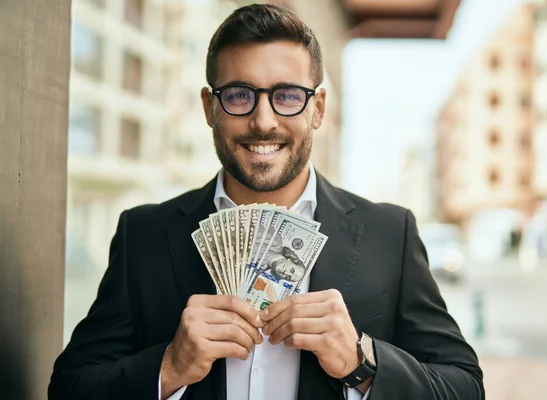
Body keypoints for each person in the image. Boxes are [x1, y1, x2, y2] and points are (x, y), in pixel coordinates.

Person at [48, 4, 484, 400]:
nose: (264, 120)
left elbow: (464, 387)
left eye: (288, 96)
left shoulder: (390, 234)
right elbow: (70, 387)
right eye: (238, 94)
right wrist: (169, 367)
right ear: (209, 107)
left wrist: (361, 362)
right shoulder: (145, 234)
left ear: (318, 109)